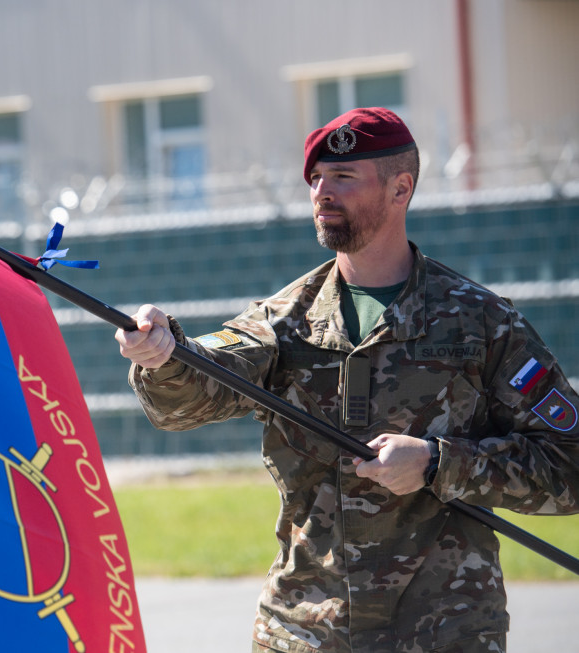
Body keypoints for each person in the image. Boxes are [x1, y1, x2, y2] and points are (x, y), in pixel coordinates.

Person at [114, 107, 579, 653]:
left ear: (400, 188)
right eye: (316, 179)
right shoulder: (284, 320)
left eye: (343, 177)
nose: (321, 192)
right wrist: (163, 354)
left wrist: (437, 463)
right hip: (305, 631)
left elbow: (568, 464)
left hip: (443, 632)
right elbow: (195, 393)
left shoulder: (481, 323)